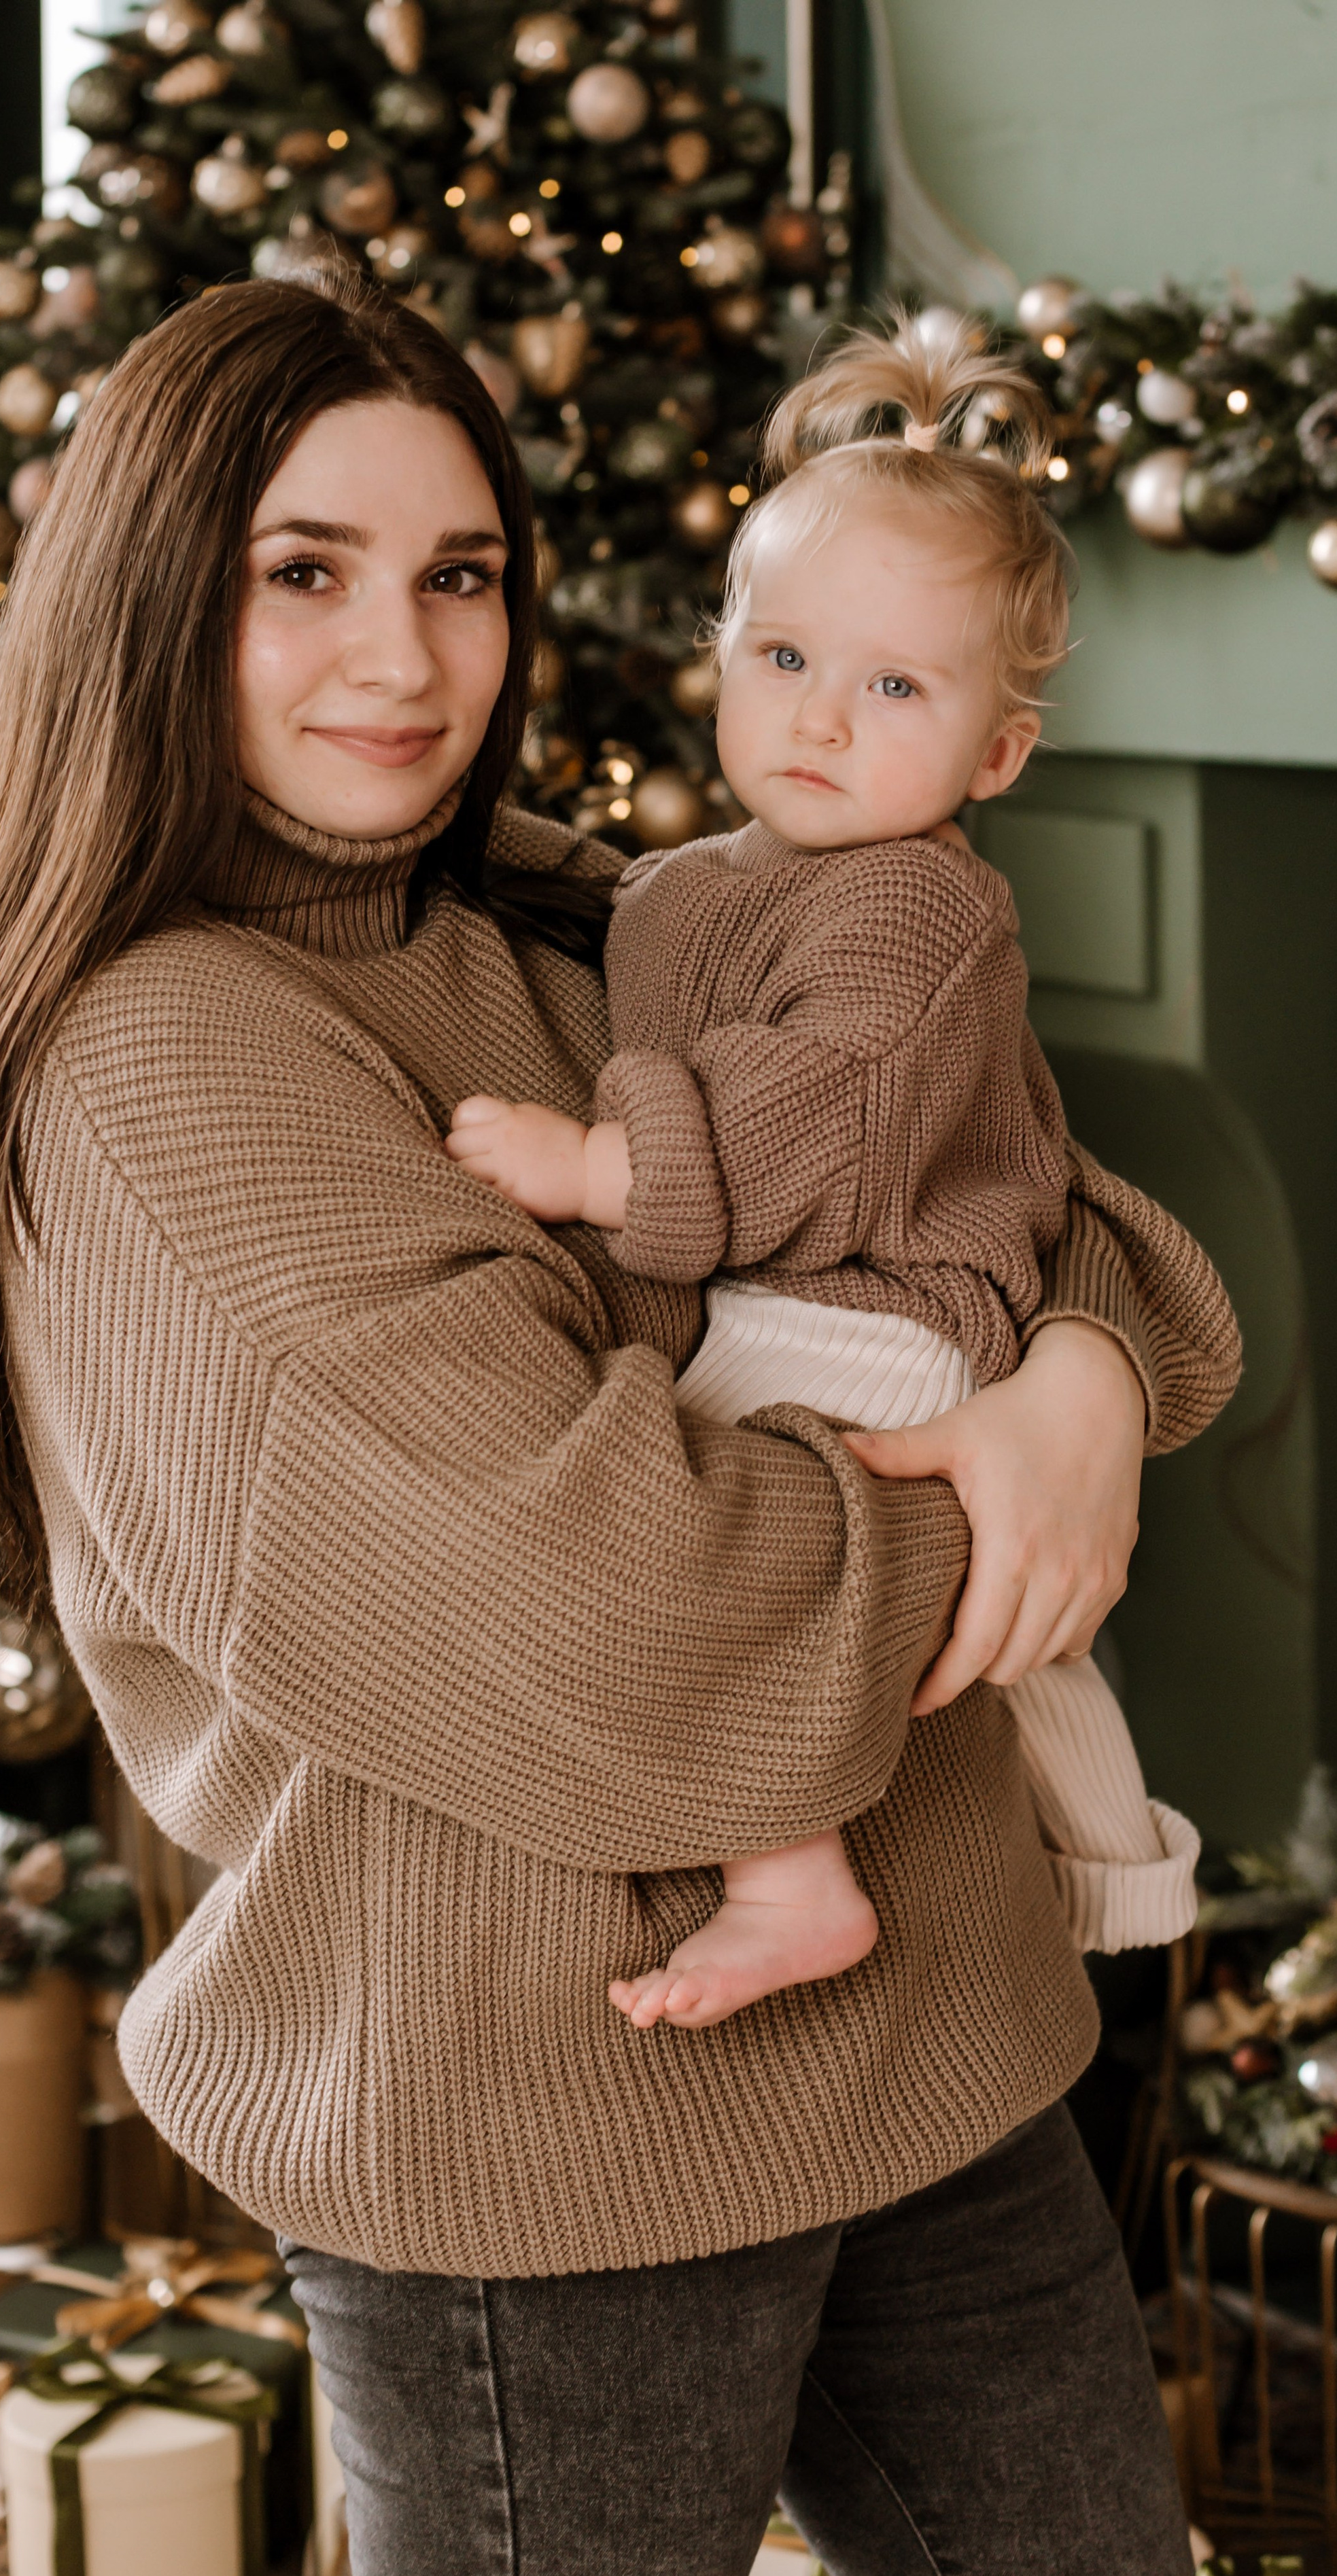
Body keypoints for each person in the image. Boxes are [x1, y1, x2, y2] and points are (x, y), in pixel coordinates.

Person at [0, 275, 1236, 2576]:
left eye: (460, 575)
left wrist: (1091, 1377)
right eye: (301, 572)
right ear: (148, 597)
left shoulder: (587, 921)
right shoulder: (170, 1064)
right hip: (552, 2119)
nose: (403, 663)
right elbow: (626, 1612)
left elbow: (1017, 1191)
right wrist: (1005, 1471)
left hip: (936, 2021)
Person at [446, 313, 1200, 2034]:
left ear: (993, 758)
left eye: (894, 689)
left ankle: (793, 1880)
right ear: (721, 650)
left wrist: (597, 1162)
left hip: (882, 1306)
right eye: (781, 660)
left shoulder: (920, 902)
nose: (819, 724)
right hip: (817, 1289)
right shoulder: (694, 879)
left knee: (714, 1530)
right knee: (1024, 1642)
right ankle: (1113, 1870)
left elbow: (829, 1103)